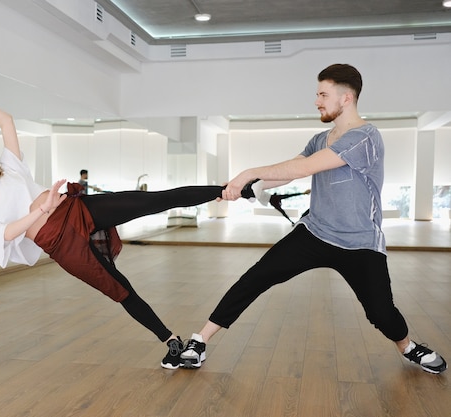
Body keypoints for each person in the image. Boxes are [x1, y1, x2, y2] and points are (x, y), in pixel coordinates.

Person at [180, 64, 447, 374]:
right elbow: (293, 166)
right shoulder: (321, 138)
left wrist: (250, 173)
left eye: (323, 94)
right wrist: (250, 187)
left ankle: (408, 347)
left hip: (359, 242)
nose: (317, 101)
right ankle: (200, 340)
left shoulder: (365, 137)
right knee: (256, 277)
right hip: (315, 231)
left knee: (381, 314)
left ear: (346, 98)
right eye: (317, 94)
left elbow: (305, 169)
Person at [0, 92, 227, 370]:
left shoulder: (11, 169)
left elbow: (6, 121)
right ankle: (171, 341)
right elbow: (8, 233)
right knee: (119, 289)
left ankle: (227, 191)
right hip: (61, 244)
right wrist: (41, 208)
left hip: (75, 209)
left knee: (153, 200)